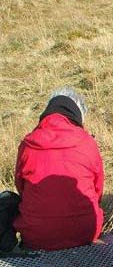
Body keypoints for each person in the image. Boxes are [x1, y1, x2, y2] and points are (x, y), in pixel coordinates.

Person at [13, 87, 104, 250]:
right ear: (77, 114)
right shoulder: (87, 142)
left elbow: (21, 187)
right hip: (85, 232)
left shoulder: (28, 144)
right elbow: (98, 190)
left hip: (37, 236)